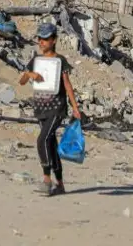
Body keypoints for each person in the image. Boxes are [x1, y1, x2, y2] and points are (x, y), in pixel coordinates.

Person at [19, 22, 81, 196]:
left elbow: (67, 85)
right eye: (40, 39)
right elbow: (22, 81)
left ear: (54, 40)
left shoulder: (60, 61)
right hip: (40, 108)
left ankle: (47, 179)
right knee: (51, 145)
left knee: (42, 140)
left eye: (45, 39)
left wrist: (75, 108)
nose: (42, 42)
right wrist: (30, 74)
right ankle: (60, 184)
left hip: (57, 108)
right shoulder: (35, 61)